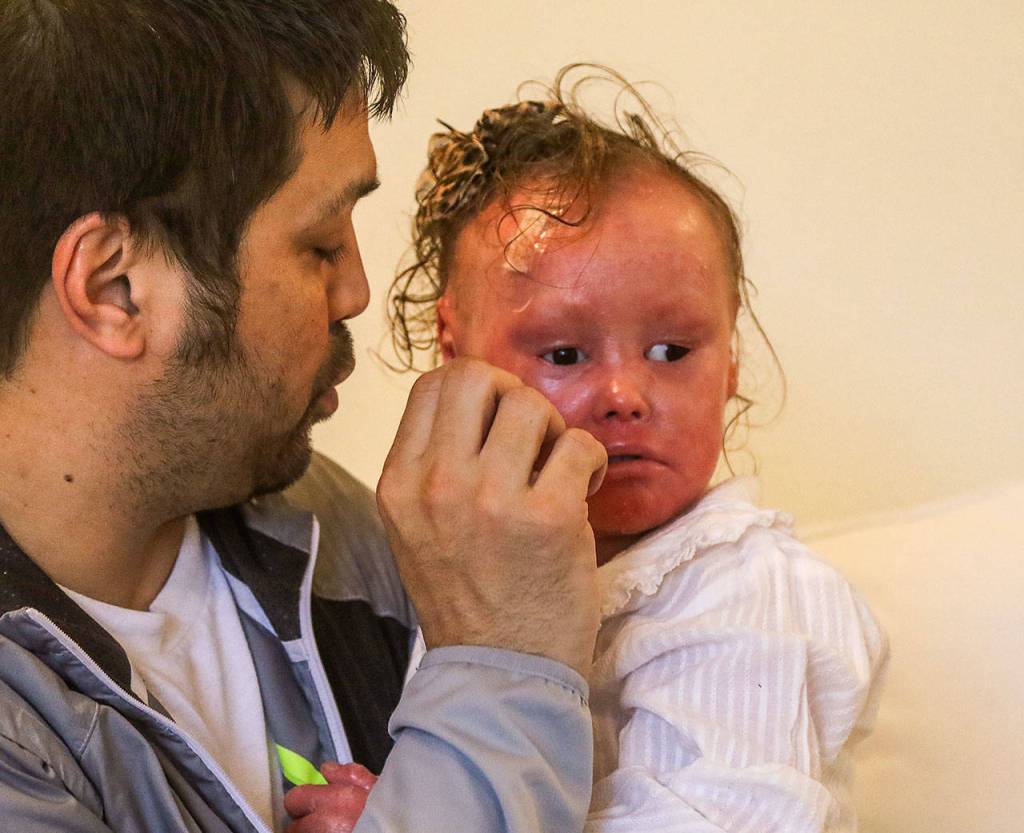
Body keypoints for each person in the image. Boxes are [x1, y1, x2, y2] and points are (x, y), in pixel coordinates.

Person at [0, 5, 608, 833]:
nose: (357, 290)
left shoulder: (353, 535)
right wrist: (505, 670)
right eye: (321, 245)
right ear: (116, 288)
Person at [289, 67, 889, 832]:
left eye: (673, 349)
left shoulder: (754, 591)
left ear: (732, 362)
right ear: (455, 351)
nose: (625, 393)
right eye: (566, 354)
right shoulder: (461, 577)